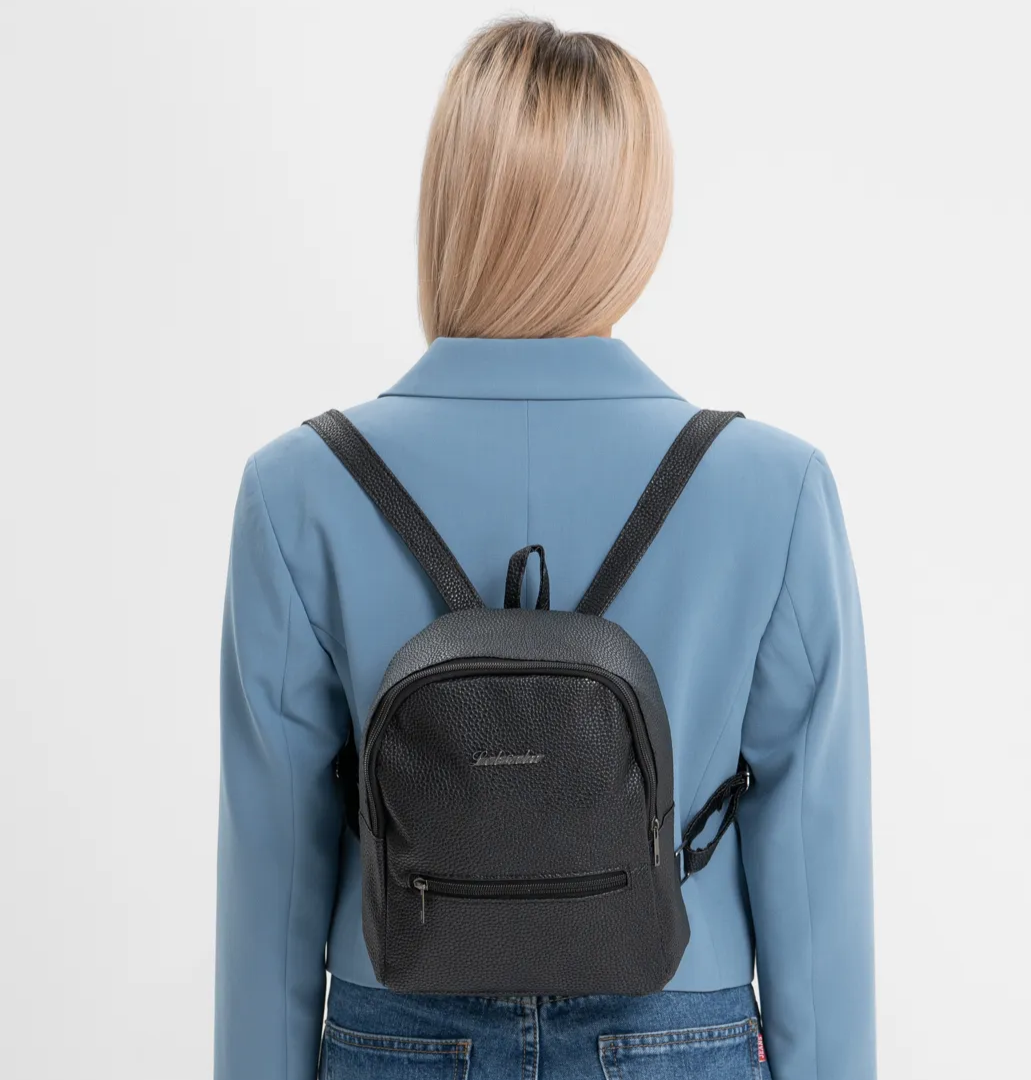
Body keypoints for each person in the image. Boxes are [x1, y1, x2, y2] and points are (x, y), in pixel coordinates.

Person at [214, 16, 875, 1080]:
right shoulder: (775, 488)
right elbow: (812, 868)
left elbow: (273, 882)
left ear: (451, 206)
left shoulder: (298, 488)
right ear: (633, 216)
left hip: (397, 1029)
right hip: (678, 1028)